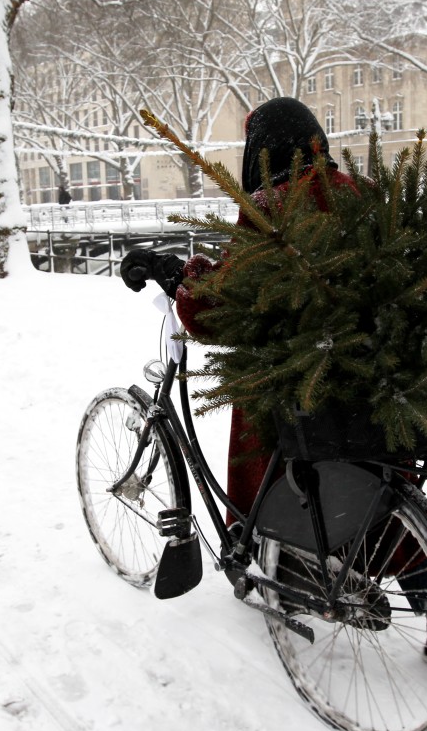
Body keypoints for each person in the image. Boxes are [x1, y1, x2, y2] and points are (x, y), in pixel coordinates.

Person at [120, 97, 355, 518]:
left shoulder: (272, 206)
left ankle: (271, 559)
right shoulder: (363, 192)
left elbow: (220, 309)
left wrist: (179, 277)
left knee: (265, 476)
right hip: (365, 388)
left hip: (296, 390)